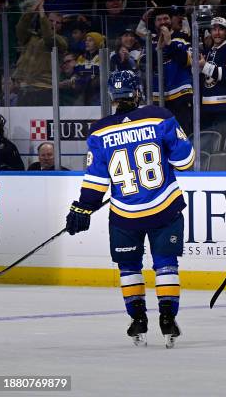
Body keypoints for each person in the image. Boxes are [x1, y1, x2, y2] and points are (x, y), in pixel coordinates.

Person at [64, 70, 195, 348]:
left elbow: (96, 180)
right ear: (138, 92)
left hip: (124, 214)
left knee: (129, 268)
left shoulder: (99, 131)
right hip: (165, 209)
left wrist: (83, 208)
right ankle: (168, 320)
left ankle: (137, 321)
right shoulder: (160, 117)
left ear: (112, 97)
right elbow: (185, 162)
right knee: (166, 265)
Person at [148, 7, 194, 136]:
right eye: (159, 19)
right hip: (158, 96)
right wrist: (158, 49)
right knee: (161, 136)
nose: (163, 22)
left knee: (184, 134)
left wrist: (169, 43)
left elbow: (189, 60)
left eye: (166, 18)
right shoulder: (150, 42)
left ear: (171, 20)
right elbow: (143, 64)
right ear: (154, 23)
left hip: (180, 94)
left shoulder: (182, 38)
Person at [199, 17, 226, 132]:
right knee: (208, 144)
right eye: (214, 29)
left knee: (223, 144)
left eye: (220, 29)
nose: (217, 33)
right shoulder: (208, 52)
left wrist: (204, 66)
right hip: (207, 106)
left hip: (224, 106)